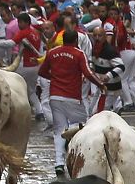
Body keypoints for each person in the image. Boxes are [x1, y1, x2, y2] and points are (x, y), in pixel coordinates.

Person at [38, 29, 105, 176]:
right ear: (76, 40)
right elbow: (88, 73)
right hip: (73, 97)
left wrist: (55, 77)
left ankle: (59, 163)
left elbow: (42, 72)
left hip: (55, 96)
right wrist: (100, 84)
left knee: (59, 130)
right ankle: (77, 157)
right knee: (80, 126)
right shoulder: (79, 54)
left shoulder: (52, 52)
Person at [90, 26, 125, 113]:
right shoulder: (95, 49)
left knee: (98, 113)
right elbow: (93, 62)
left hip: (111, 88)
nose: (97, 38)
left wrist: (108, 75)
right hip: (101, 86)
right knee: (92, 110)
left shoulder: (109, 51)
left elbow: (121, 66)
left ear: (105, 36)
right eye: (95, 35)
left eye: (100, 35)